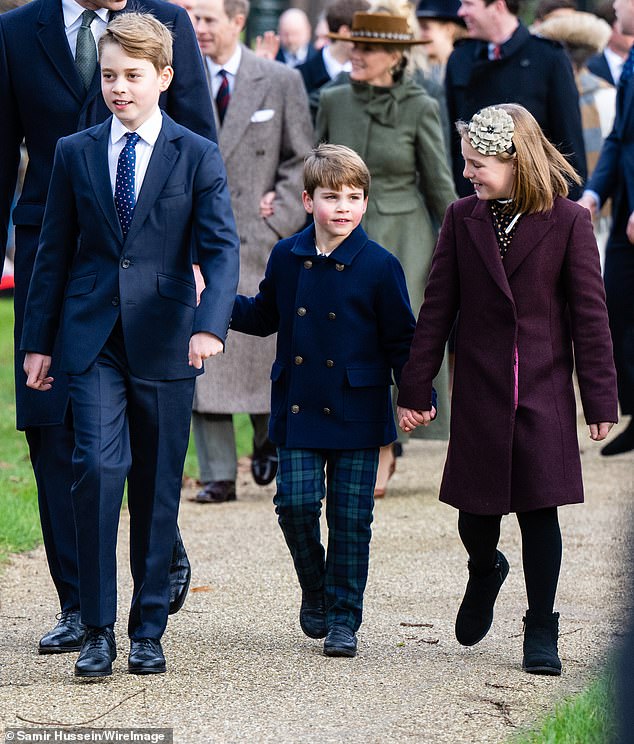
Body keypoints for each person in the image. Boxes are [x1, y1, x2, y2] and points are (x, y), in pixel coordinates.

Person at [20, 13, 239, 678]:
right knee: (97, 470)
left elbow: (222, 246)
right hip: (89, 342)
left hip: (168, 338)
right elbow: (53, 253)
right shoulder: (76, 151)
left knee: (155, 487)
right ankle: (96, 628)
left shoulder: (194, 153)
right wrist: (38, 343)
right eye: (110, 75)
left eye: (133, 77)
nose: (119, 88)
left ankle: (148, 630)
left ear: (165, 79)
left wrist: (209, 323)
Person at [397, 104, 618, 675]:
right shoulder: (461, 217)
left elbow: (591, 317)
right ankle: (484, 568)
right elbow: (438, 307)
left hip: (542, 387)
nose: (467, 172)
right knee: (476, 512)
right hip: (481, 384)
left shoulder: (568, 221)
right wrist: (416, 386)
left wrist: (599, 397)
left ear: (514, 160)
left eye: (477, 163)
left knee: (540, 513)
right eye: (466, 162)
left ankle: (541, 624)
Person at [230, 143, 422, 657]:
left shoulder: (380, 266)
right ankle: (315, 588)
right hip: (299, 404)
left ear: (365, 203)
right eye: (332, 197)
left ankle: (343, 619)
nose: (343, 208)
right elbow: (265, 313)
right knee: (293, 505)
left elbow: (403, 340)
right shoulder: (286, 257)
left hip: (358, 410)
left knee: (351, 518)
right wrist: (216, 305)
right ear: (308, 199)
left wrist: (413, 394)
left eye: (354, 197)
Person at [316, 10, 456, 496]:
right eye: (351, 45)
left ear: (395, 58)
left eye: (366, 49)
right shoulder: (332, 99)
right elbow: (317, 173)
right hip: (342, 232)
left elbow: (438, 182)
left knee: (401, 333)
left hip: (407, 235)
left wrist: (463, 241)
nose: (354, 54)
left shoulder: (421, 106)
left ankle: (387, 445)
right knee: (345, 336)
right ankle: (364, 440)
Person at [192, 0, 313, 503]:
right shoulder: (177, 77)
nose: (197, 28)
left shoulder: (280, 79)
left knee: (262, 345)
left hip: (261, 240)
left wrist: (281, 214)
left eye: (207, 19)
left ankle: (269, 440)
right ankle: (217, 473)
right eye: (191, 18)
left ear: (238, 21)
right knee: (203, 343)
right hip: (198, 237)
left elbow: (302, 156)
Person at [445, 0, 586, 198]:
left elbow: (568, 143)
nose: (461, 12)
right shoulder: (459, 58)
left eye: (469, 4)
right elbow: (452, 142)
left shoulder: (548, 57)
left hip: (533, 201)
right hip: (474, 203)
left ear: (498, 7)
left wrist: (569, 211)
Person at [579, 0, 634, 456]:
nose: (615, 7)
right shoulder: (633, 59)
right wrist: (594, 194)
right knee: (615, 305)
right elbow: (618, 138)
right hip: (624, 205)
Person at [587, 0, 634, 85]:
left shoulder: (630, 64)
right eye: (625, 30)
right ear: (608, 30)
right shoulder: (588, 67)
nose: (632, 36)